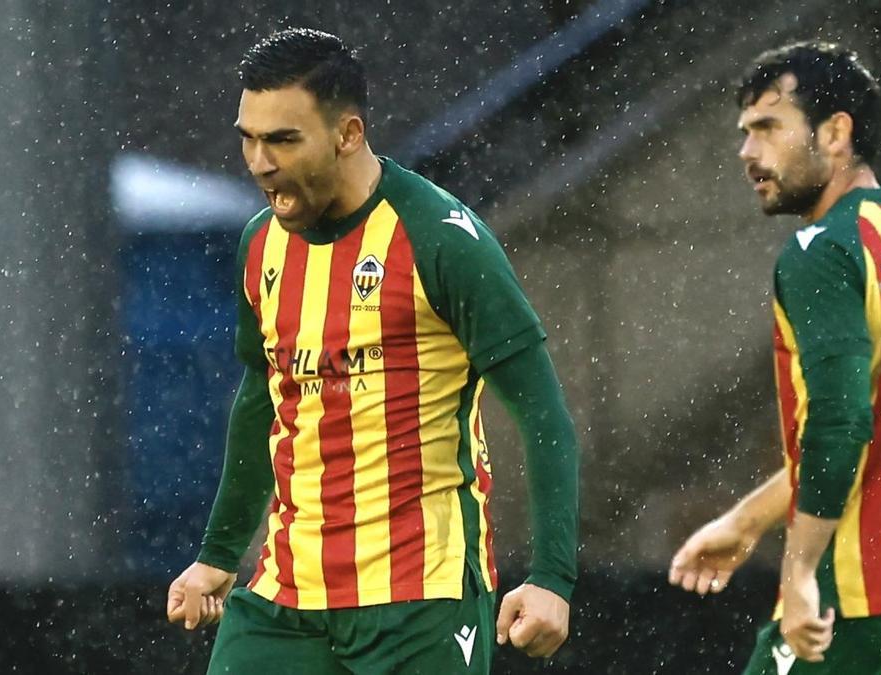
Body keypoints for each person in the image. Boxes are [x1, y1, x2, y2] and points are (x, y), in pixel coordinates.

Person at [164, 27, 579, 674]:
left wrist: (553, 575)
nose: (259, 161)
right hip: (286, 595)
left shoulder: (441, 239)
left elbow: (543, 413)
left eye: (282, 139)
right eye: (248, 137)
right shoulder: (261, 245)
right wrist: (219, 554)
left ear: (349, 134)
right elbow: (261, 396)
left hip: (419, 598)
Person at [668, 41, 881, 674]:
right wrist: (747, 522)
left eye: (768, 128)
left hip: (859, 596)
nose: (748, 152)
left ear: (836, 133)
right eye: (745, 133)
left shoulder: (820, 248)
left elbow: (842, 422)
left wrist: (799, 569)